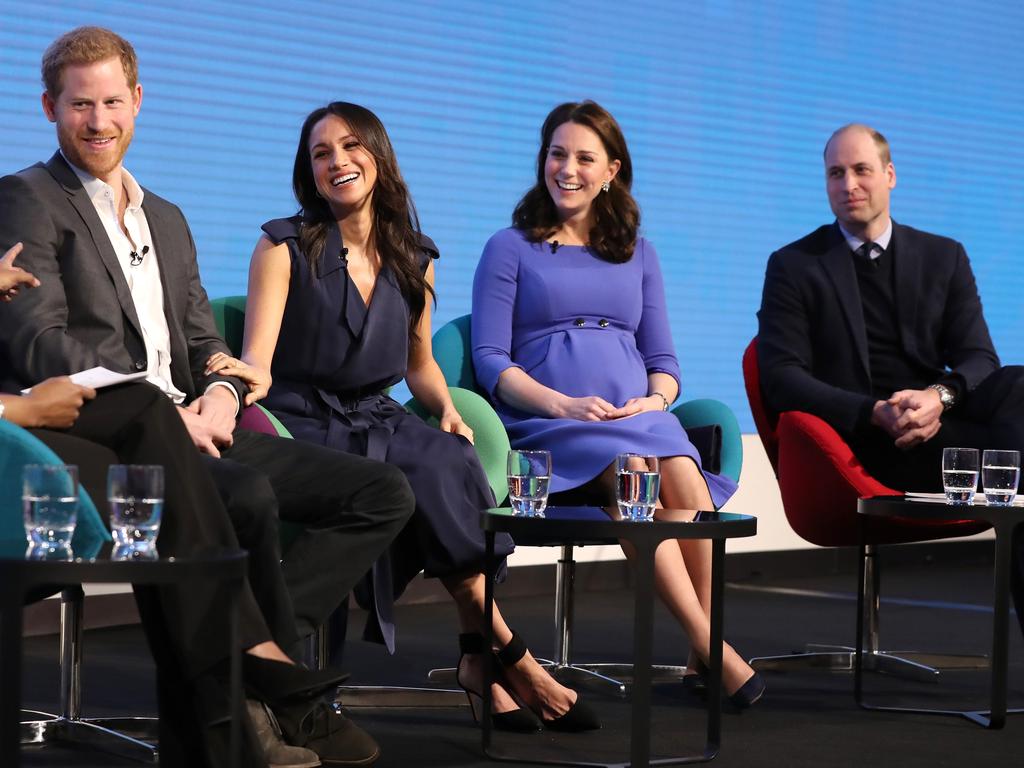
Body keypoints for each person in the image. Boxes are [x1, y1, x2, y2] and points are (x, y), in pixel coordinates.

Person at [0, 26, 417, 767]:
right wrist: (160, 409)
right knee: (245, 495)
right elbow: (40, 343)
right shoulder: (27, 198)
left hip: (197, 422)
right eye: (79, 106)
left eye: (112, 102)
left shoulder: (166, 217)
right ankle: (266, 701)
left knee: (382, 492)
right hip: (107, 429)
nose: (98, 122)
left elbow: (200, 342)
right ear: (48, 108)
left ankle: (266, 669)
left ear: (138, 101)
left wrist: (223, 390)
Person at [208, 101, 598, 732]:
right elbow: (259, 360)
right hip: (303, 419)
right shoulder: (282, 246)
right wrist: (232, 391)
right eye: (321, 154)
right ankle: (511, 657)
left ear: (378, 156)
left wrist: (446, 408)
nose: (338, 161)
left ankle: (482, 657)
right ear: (308, 173)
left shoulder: (415, 255)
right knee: (425, 479)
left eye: (351, 146)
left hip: (376, 413)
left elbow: (420, 366)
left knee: (449, 457)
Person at [471, 100, 764, 707]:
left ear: (612, 170)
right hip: (549, 421)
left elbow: (666, 363)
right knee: (638, 474)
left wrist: (652, 403)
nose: (566, 168)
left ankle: (697, 656)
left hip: (633, 418)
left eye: (583, 157)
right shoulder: (510, 247)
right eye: (557, 154)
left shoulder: (640, 253)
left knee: (683, 474)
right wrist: (561, 404)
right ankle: (715, 648)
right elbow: (492, 362)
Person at [756, 122, 1024, 640]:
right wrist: (872, 411)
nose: (849, 184)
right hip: (870, 442)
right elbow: (781, 379)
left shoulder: (943, 255)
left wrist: (938, 398)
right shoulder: (794, 265)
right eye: (836, 173)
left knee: (1018, 384)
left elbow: (977, 357)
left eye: (861, 170)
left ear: (890, 175)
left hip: (944, 422)